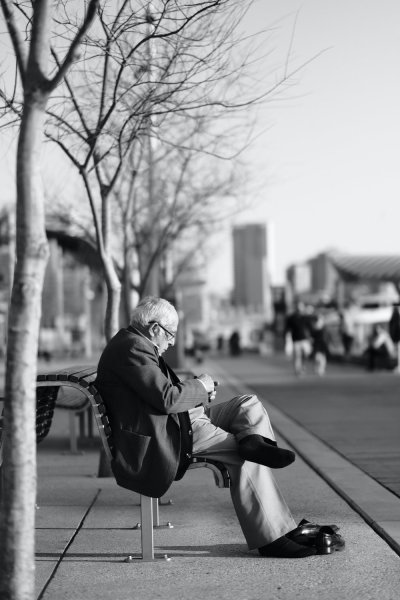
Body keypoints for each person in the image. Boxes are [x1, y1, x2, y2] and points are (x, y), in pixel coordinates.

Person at [95, 296, 344, 558]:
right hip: (170, 435)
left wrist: (201, 391)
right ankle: (271, 537)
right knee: (241, 455)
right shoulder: (133, 348)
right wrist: (200, 386)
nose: (172, 342)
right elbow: (167, 398)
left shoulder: (133, 343)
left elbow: (160, 394)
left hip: (179, 422)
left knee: (247, 404)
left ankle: (256, 441)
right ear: (154, 328)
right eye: (170, 335)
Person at [284, 301, 311, 376]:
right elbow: (287, 328)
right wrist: (286, 338)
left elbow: (310, 327)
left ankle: (303, 366)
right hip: (296, 339)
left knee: (306, 354)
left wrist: (311, 336)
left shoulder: (305, 317)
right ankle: (298, 370)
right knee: (297, 356)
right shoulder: (291, 318)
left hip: (305, 339)